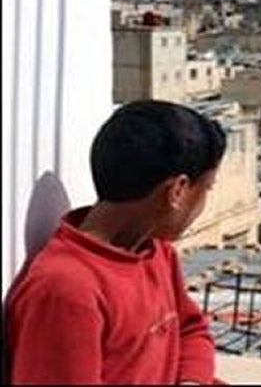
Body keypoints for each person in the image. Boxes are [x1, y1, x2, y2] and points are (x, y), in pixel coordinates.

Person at [4, 100, 226, 384]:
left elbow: (191, 329)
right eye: (207, 188)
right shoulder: (68, 290)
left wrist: (191, 379)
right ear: (177, 191)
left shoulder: (156, 253)